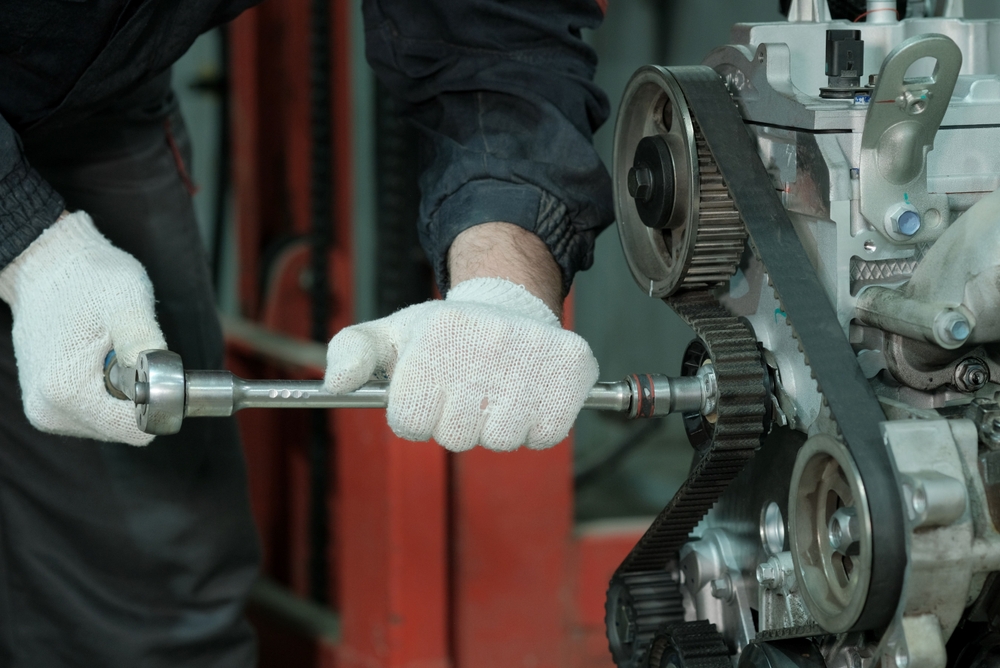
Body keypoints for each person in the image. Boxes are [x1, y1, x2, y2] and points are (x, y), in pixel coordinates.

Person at [0, 0, 612, 665]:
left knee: (156, 606)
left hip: (83, 104)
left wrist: (503, 282)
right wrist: (32, 249)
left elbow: (491, 30)